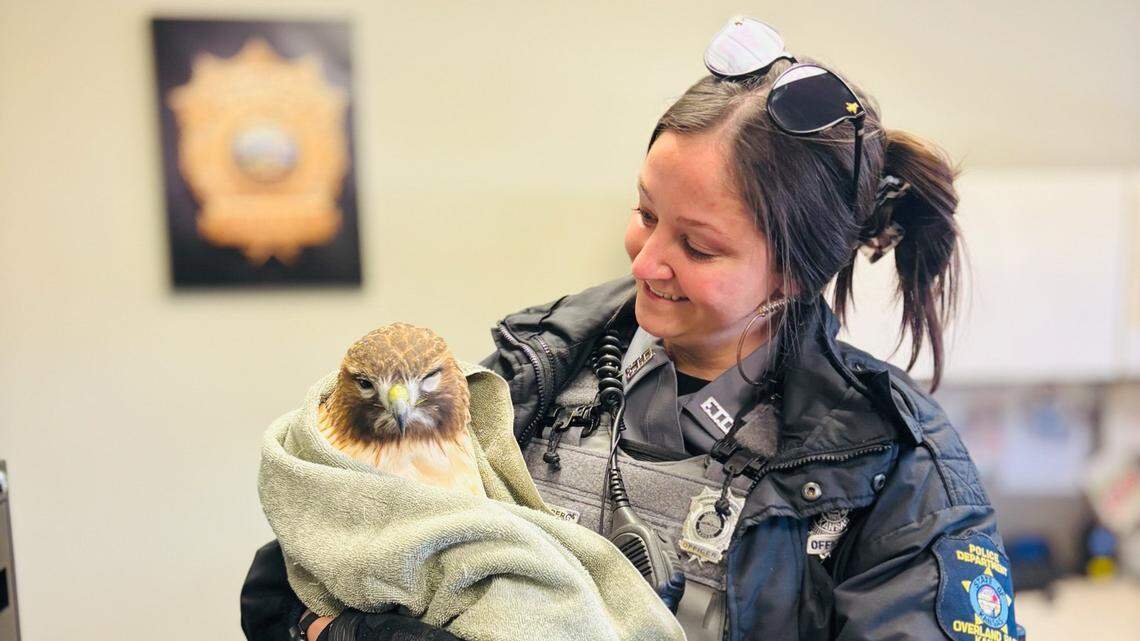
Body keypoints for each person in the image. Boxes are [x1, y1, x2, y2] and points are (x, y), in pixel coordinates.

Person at [241, 16, 1024, 641]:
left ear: (791, 271)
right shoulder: (528, 373)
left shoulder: (894, 471)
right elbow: (295, 576)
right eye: (645, 213)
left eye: (698, 245)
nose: (648, 261)